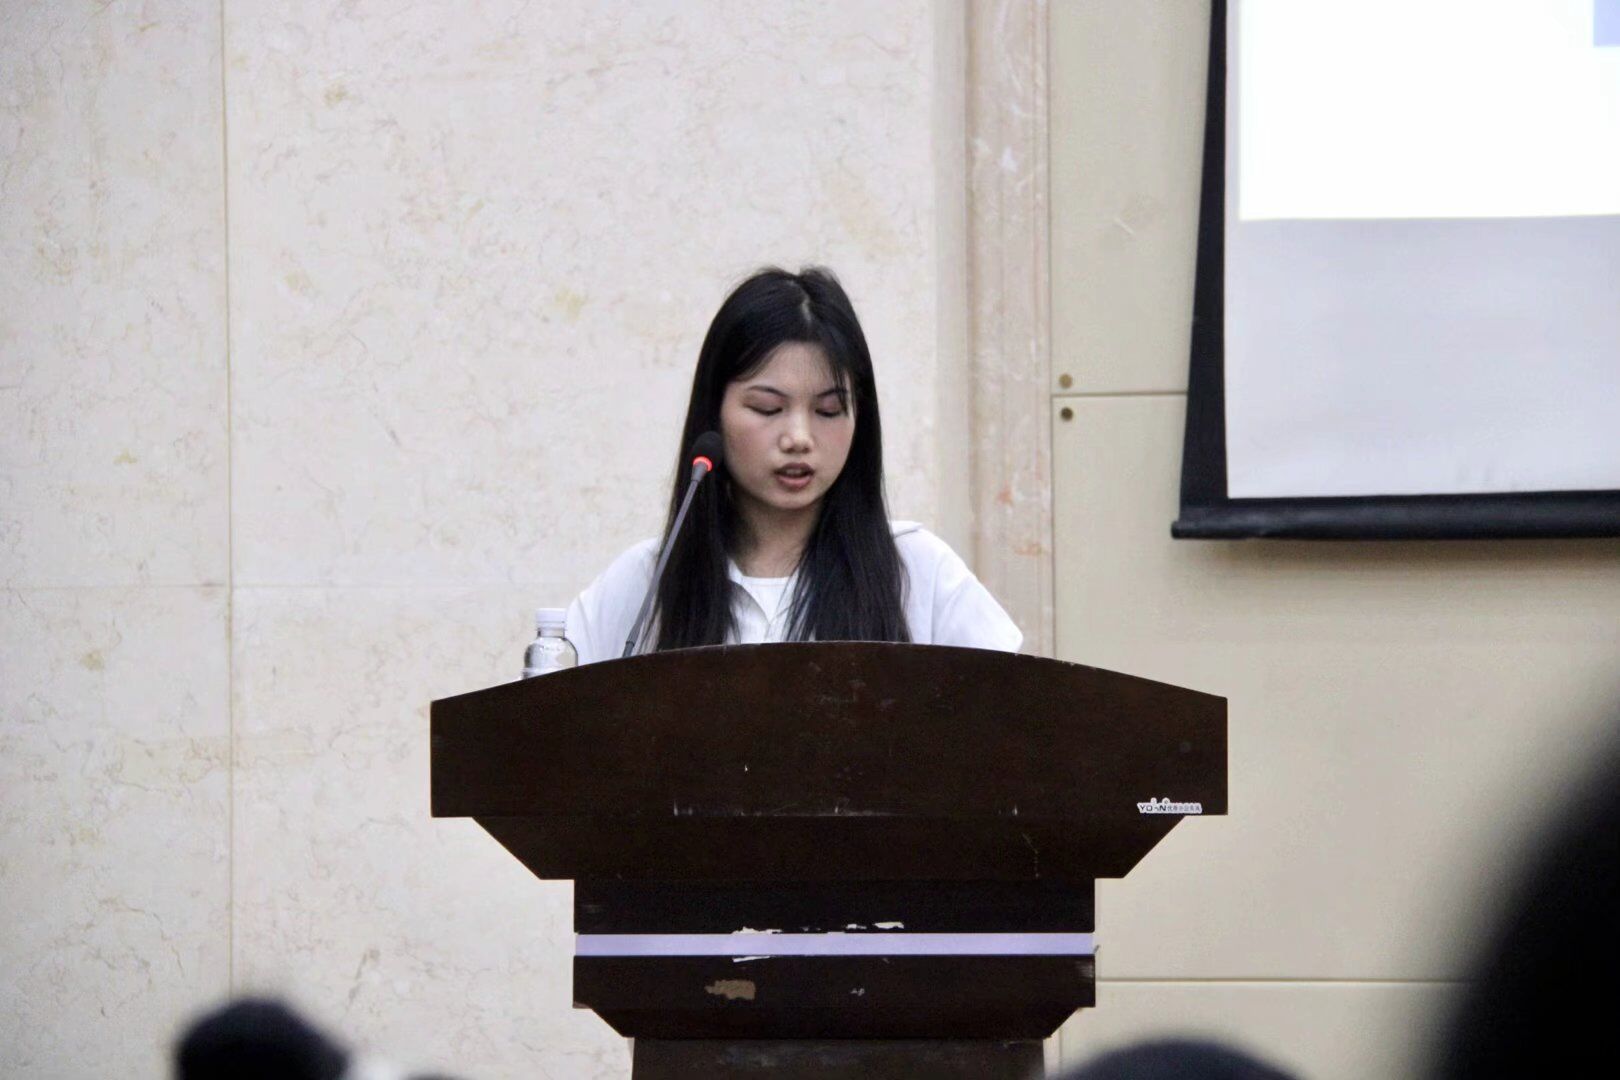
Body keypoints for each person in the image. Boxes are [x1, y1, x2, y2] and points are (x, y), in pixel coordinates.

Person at [564, 266, 1021, 664]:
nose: (799, 438)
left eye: (827, 411)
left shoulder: (918, 571)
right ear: (714, 414)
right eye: (767, 408)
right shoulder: (646, 581)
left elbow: (1016, 713)